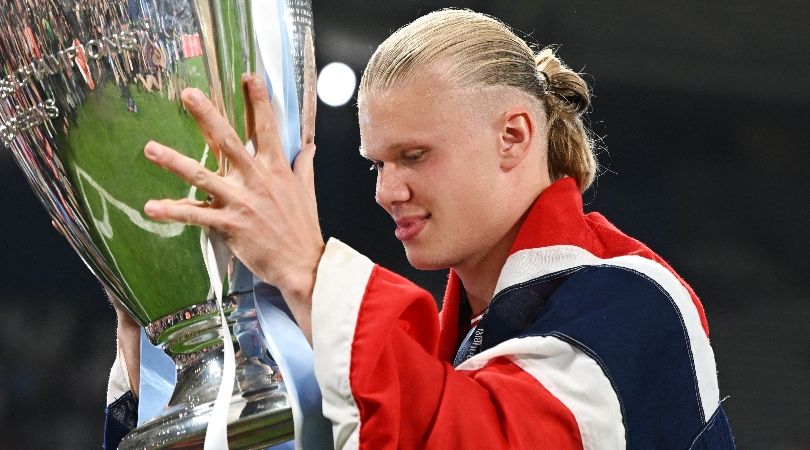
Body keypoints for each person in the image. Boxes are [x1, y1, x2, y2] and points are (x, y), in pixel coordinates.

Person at [107, 8, 735, 449]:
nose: (385, 191)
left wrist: (309, 271)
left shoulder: (636, 301)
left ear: (513, 137)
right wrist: (165, 370)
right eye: (377, 163)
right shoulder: (460, 349)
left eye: (414, 156)